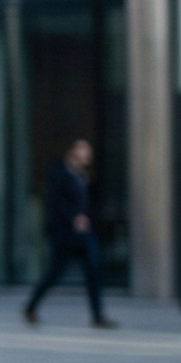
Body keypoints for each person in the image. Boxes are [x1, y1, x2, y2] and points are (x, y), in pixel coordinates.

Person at [24, 137, 116, 329]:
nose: (86, 155)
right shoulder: (59, 174)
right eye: (83, 150)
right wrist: (74, 217)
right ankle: (31, 306)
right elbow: (54, 203)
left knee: (93, 271)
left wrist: (88, 218)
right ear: (72, 151)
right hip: (64, 235)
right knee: (55, 273)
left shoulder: (82, 176)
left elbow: (87, 204)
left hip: (83, 234)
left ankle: (98, 316)